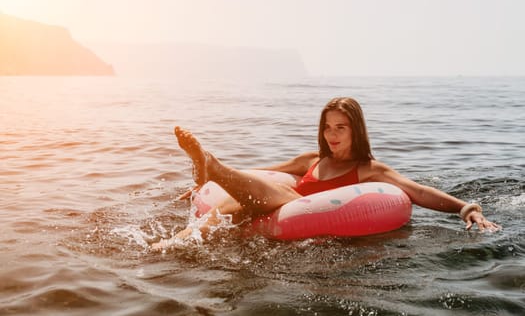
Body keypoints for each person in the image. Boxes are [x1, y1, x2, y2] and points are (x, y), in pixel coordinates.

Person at [152, 97, 500, 250]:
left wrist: (466, 208)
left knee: (276, 197)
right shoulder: (311, 160)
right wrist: (208, 184)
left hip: (293, 210)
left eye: (341, 128)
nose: (332, 135)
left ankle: (214, 166)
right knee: (240, 198)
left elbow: (417, 191)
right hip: (267, 205)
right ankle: (174, 240)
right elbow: (262, 173)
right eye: (328, 127)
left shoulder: (368, 169)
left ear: (356, 131)